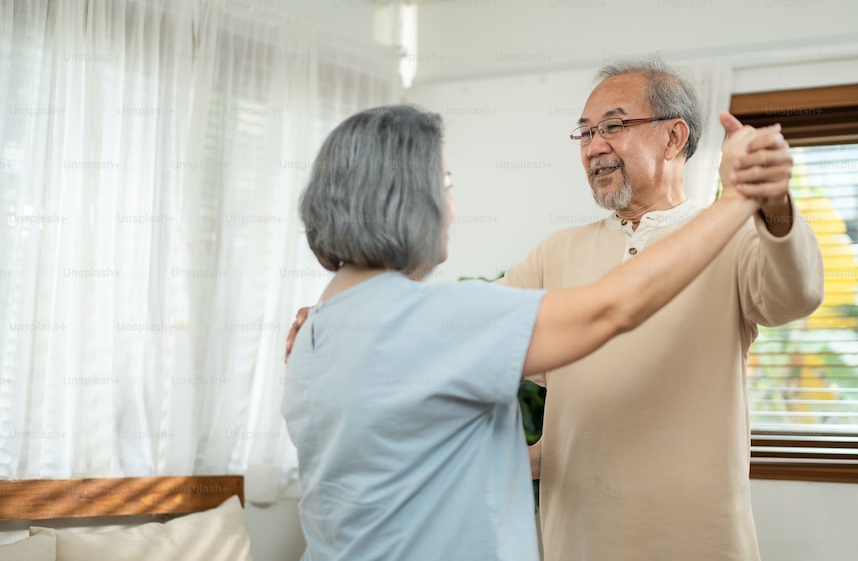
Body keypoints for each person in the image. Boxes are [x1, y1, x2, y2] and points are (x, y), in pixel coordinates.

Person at [280, 103, 783, 561]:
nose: (452, 207)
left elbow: (417, 469)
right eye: (447, 183)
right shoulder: (441, 317)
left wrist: (572, 453)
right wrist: (738, 198)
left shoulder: (312, 333)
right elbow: (614, 308)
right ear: (406, 201)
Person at [505, 59, 825, 561]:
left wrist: (772, 202)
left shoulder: (731, 234)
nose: (594, 147)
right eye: (585, 133)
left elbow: (795, 296)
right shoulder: (554, 253)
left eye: (613, 126)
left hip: (699, 540)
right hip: (579, 540)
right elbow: (483, 341)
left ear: (674, 137)